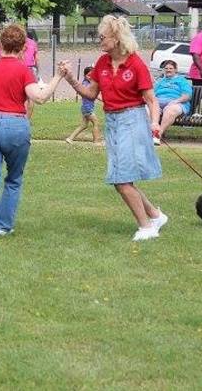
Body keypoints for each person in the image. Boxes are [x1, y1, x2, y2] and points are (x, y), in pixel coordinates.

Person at [58, 15, 168, 242]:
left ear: (116, 39)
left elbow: (151, 100)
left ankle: (146, 227)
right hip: (113, 121)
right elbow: (90, 93)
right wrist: (70, 78)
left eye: (102, 37)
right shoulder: (102, 63)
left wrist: (155, 122)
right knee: (124, 176)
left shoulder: (136, 63)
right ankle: (156, 216)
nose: (99, 41)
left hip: (133, 120)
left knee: (120, 179)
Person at [0, 24, 62, 242]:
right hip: (16, 125)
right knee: (13, 178)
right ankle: (4, 225)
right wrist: (58, 76)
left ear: (0, 45)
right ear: (22, 49)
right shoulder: (23, 70)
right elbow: (39, 98)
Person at [154, 60, 193, 144]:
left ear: (175, 70)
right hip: (158, 102)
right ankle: (152, 132)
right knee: (148, 109)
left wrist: (176, 101)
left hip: (177, 102)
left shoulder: (182, 80)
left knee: (170, 110)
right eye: (166, 68)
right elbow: (152, 94)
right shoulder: (160, 81)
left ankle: (158, 135)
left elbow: (187, 96)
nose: (168, 70)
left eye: (171, 68)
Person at [65, 66, 102, 145]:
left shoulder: (89, 84)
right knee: (96, 122)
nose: (91, 77)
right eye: (89, 75)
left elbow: (94, 94)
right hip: (87, 108)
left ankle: (70, 138)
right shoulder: (85, 84)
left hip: (86, 108)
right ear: (85, 76)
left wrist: (102, 99)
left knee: (84, 125)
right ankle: (96, 141)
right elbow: (88, 93)